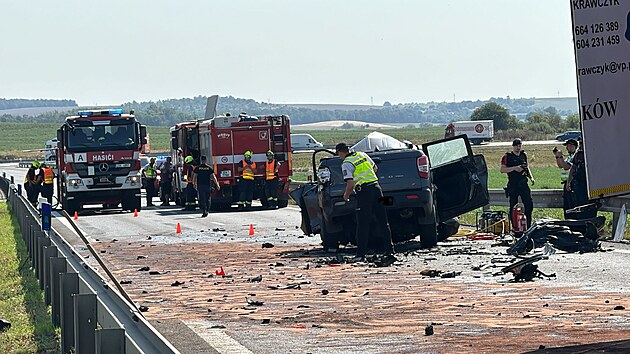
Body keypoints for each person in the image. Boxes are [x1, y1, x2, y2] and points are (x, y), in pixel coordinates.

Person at [336, 143, 394, 258]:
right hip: (377, 189)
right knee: (383, 220)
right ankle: (390, 250)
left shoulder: (346, 164)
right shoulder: (362, 155)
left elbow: (350, 184)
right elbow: (375, 168)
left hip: (364, 192)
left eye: (338, 154)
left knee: (363, 223)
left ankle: (361, 254)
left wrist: (346, 196)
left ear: (340, 152)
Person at [501, 138, 535, 229]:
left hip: (523, 183)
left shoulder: (523, 155)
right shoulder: (507, 156)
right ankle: (515, 226)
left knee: (529, 204)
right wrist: (515, 168)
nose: (518, 148)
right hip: (513, 184)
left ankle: (528, 225)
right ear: (513, 146)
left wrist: (531, 177)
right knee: (513, 206)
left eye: (519, 146)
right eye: (516, 146)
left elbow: (526, 167)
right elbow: (502, 170)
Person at [566, 139, 596, 219]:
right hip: (579, 186)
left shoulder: (593, 152)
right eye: (580, 143)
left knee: (590, 208)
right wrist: (569, 182)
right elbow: (573, 167)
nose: (581, 145)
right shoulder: (578, 155)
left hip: (590, 186)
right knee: (579, 206)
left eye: (582, 143)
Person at [553, 138, 579, 219]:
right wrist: (557, 156)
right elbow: (561, 165)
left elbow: (566, 166)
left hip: (571, 184)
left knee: (571, 207)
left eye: (567, 146)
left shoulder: (575, 155)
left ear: (572, 146)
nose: (566, 148)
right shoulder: (570, 156)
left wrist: (560, 156)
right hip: (566, 183)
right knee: (567, 206)